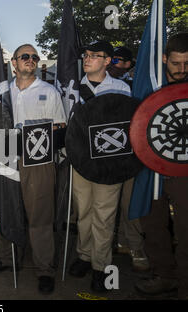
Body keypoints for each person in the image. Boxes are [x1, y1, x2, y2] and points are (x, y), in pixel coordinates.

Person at [0, 44, 66, 295]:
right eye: (25, 57)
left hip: (38, 163)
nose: (30, 60)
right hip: (8, 160)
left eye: (34, 57)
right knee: (9, 209)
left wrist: (36, 135)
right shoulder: (2, 92)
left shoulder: (49, 91)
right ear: (14, 64)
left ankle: (44, 269)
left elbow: (60, 127)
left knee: (39, 215)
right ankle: (9, 259)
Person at [67, 40, 131, 292]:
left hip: (109, 163)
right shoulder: (73, 87)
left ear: (107, 61)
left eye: (95, 55)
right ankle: (84, 254)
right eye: (86, 54)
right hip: (81, 160)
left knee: (104, 215)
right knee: (83, 212)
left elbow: (127, 126)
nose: (87, 58)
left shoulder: (121, 88)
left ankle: (101, 266)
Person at [135, 32, 188, 299]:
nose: (182, 70)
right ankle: (164, 275)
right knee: (153, 224)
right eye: (176, 63)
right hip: (150, 165)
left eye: (187, 64)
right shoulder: (149, 84)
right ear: (165, 58)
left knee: (186, 227)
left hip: (184, 170)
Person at [108, 46, 150, 272]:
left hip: (131, 153)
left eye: (118, 60)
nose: (113, 63)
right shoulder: (98, 84)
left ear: (128, 64)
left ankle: (134, 245)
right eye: (111, 58)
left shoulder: (135, 86)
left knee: (129, 204)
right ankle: (109, 245)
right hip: (107, 152)